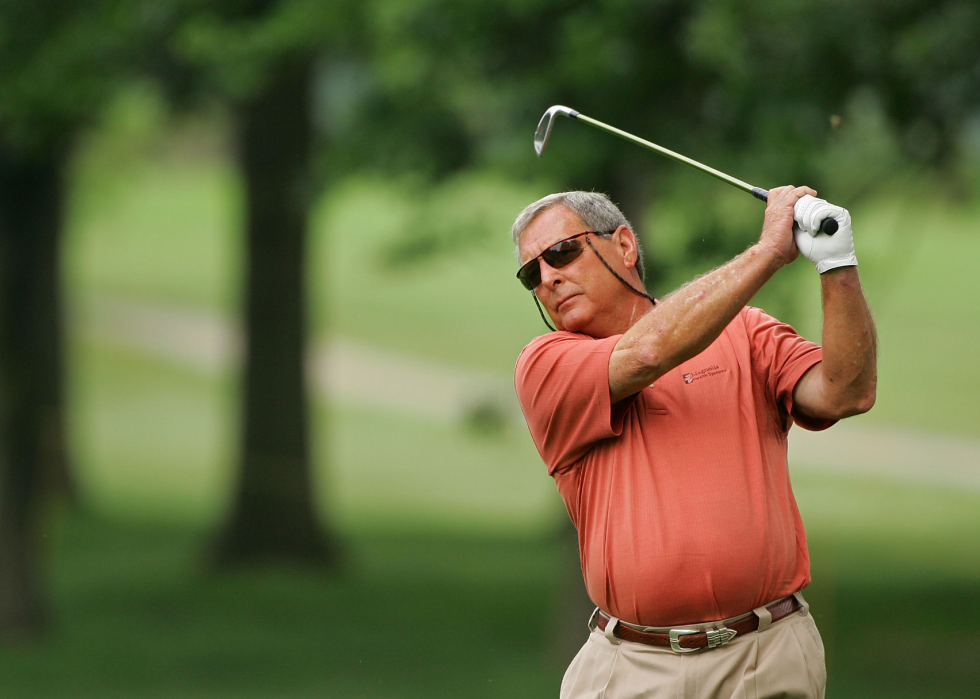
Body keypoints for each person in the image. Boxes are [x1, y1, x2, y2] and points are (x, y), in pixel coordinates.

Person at [512, 187, 877, 699]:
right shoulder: (546, 365)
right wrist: (769, 250)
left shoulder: (746, 332)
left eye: (561, 252)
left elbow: (847, 391)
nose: (548, 277)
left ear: (624, 245)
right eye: (533, 273)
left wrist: (838, 264)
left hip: (766, 656)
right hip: (632, 669)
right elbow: (648, 353)